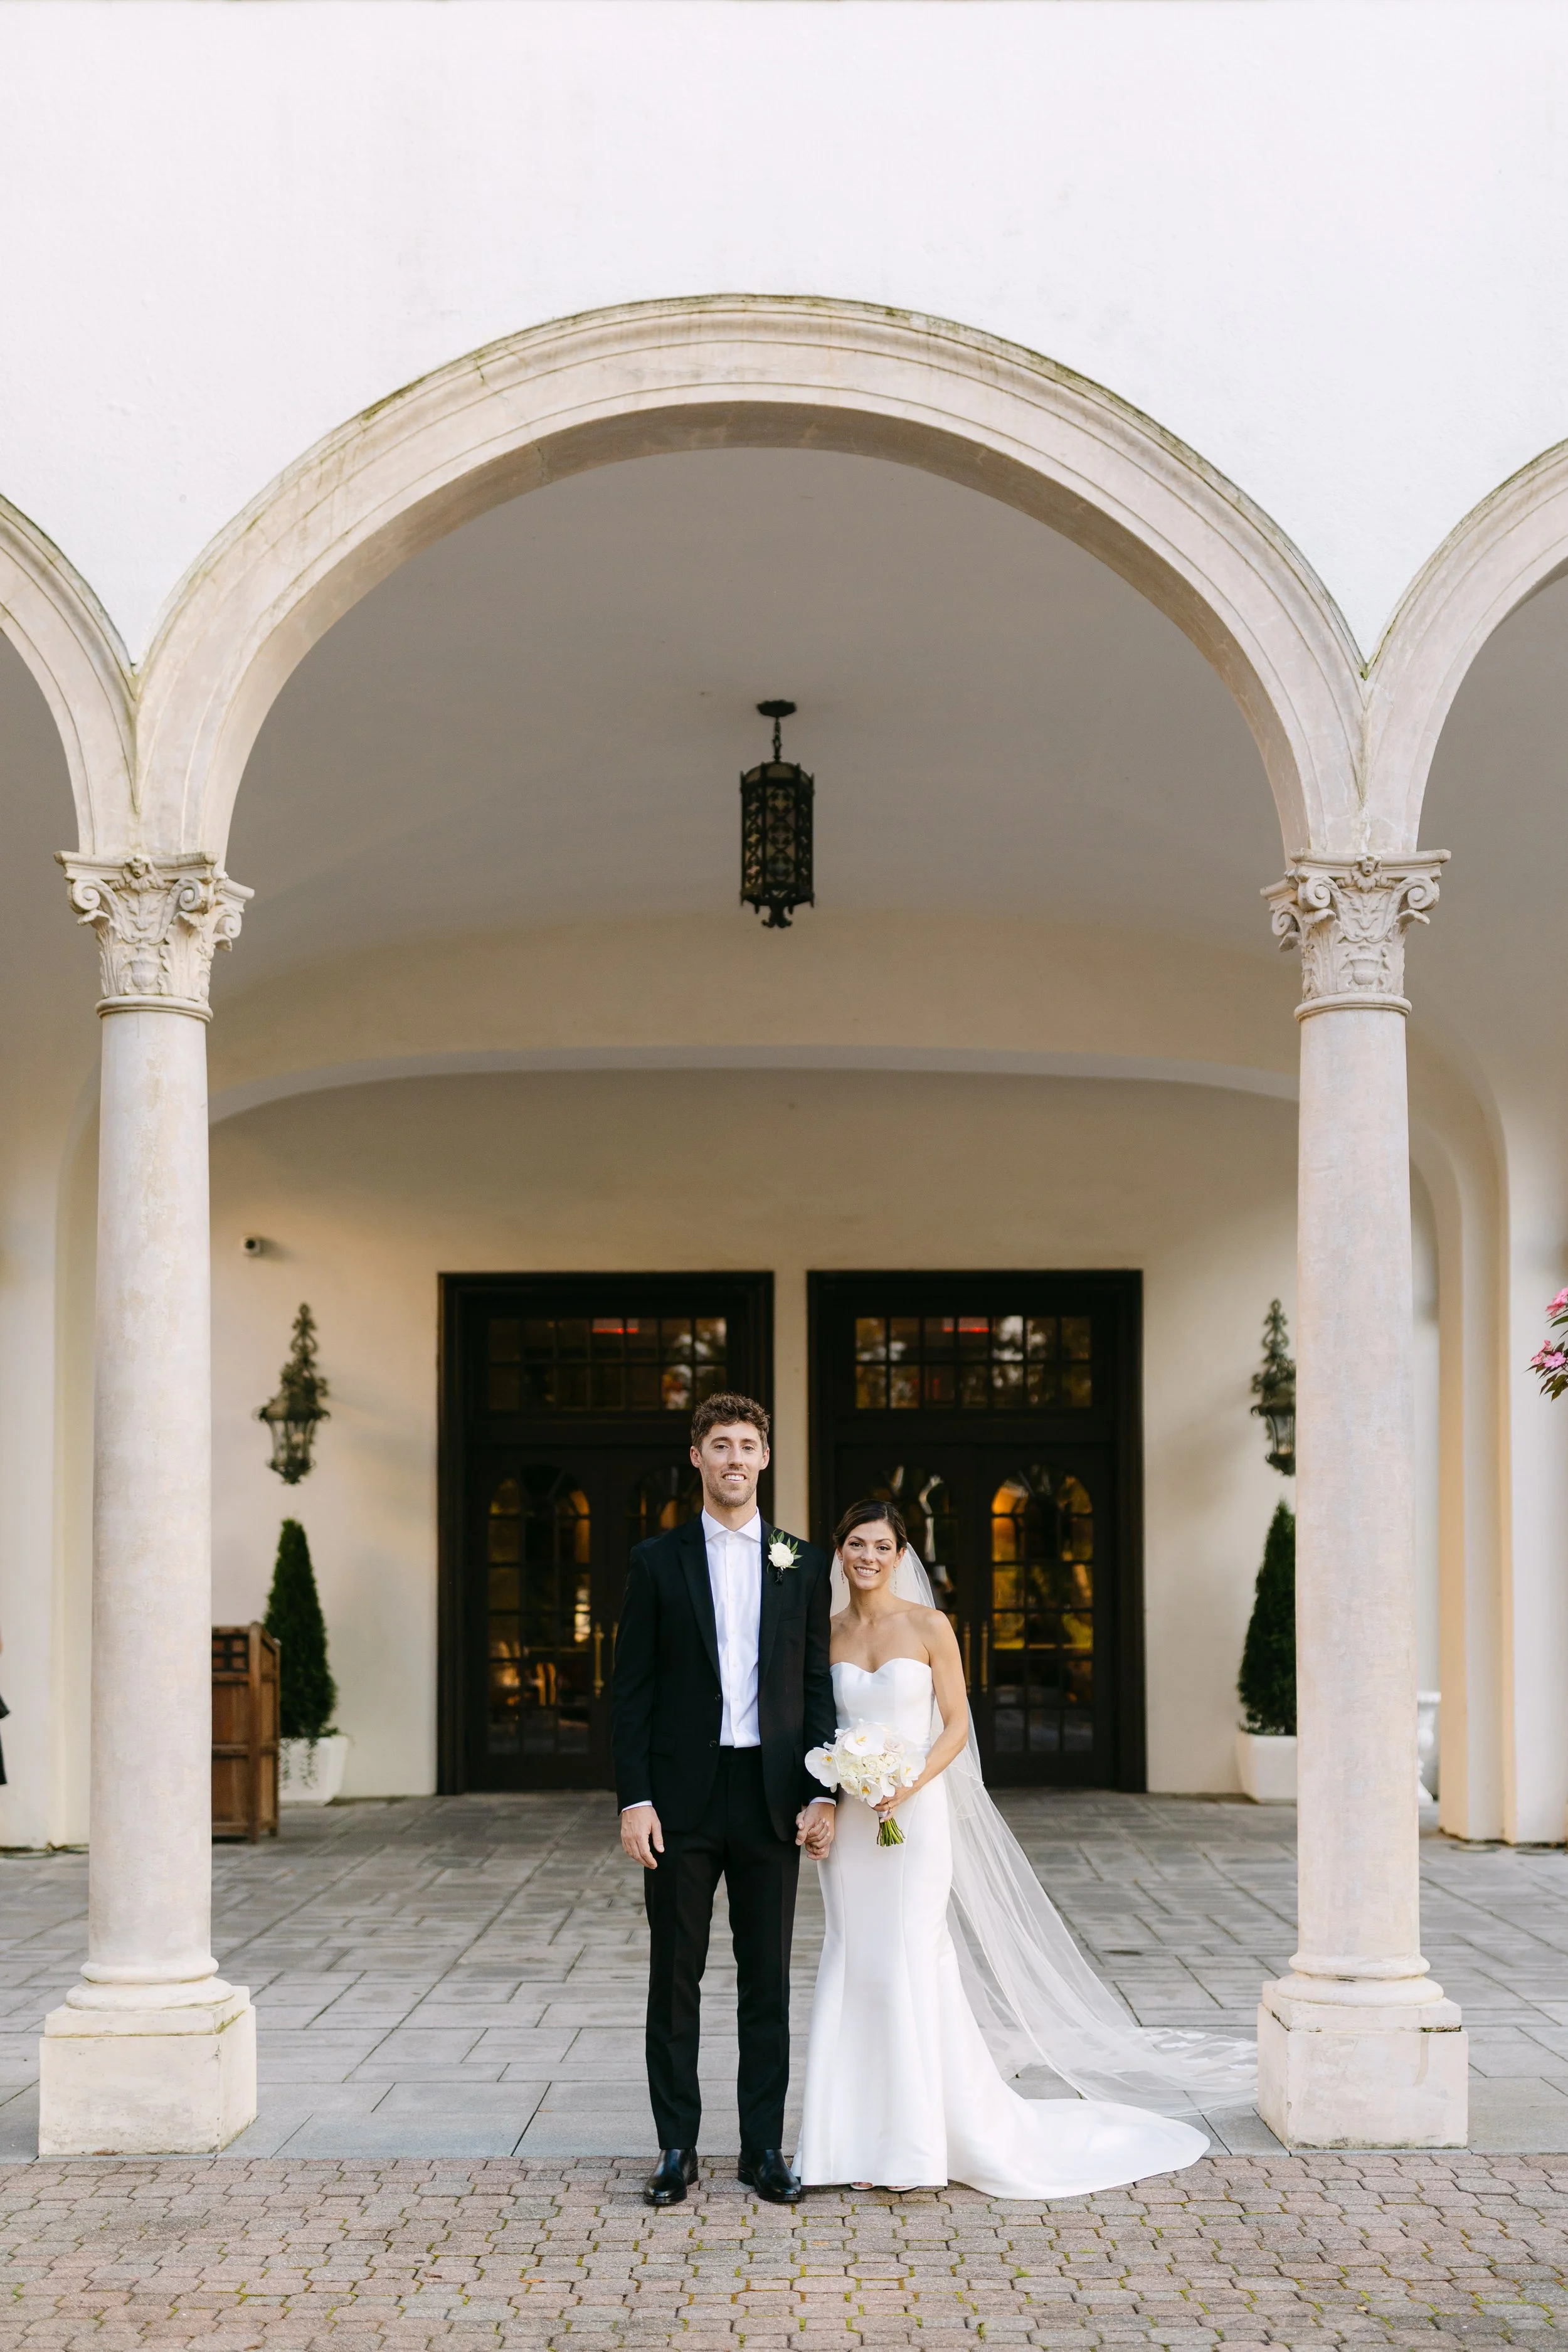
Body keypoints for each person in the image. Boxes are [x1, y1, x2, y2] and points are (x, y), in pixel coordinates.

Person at [795, 1499, 1256, 2198]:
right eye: (856, 1544)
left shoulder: (928, 1626)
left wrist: (908, 1784)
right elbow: (818, 1728)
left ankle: (915, 2145)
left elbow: (954, 1725)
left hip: (914, 1820)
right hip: (856, 1824)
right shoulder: (824, 1635)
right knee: (855, 1960)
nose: (868, 1557)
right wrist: (832, 1794)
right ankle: (850, 2140)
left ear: (900, 1554)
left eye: (882, 1546)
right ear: (839, 1552)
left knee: (909, 1959)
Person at [612, 1393, 838, 2208]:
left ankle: (761, 2147)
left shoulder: (801, 1563)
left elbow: (816, 1686)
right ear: (698, 1457)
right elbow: (630, 1692)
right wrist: (634, 1797)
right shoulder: (655, 1560)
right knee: (674, 1975)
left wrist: (824, 1792)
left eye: (748, 1444)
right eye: (720, 1444)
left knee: (766, 1978)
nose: (735, 1457)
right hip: (680, 1802)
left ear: (766, 1458)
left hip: (771, 1798)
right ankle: (677, 2145)